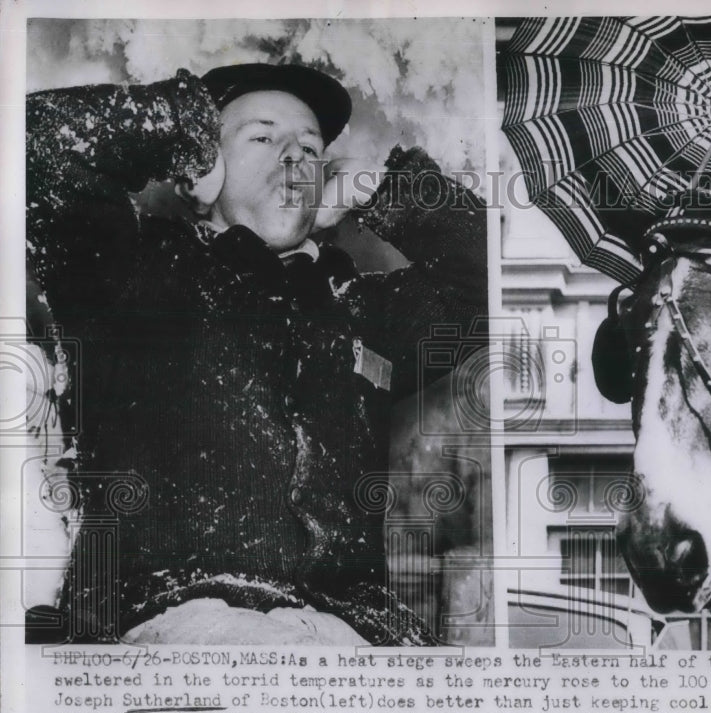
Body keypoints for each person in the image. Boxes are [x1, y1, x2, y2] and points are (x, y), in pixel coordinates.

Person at [25, 63, 487, 646]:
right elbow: (35, 142)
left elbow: (482, 293)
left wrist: (392, 192)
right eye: (263, 137)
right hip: (173, 624)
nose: (294, 158)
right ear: (207, 171)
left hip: (359, 636)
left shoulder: (359, 307)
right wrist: (186, 128)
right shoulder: (130, 272)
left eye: (311, 148)